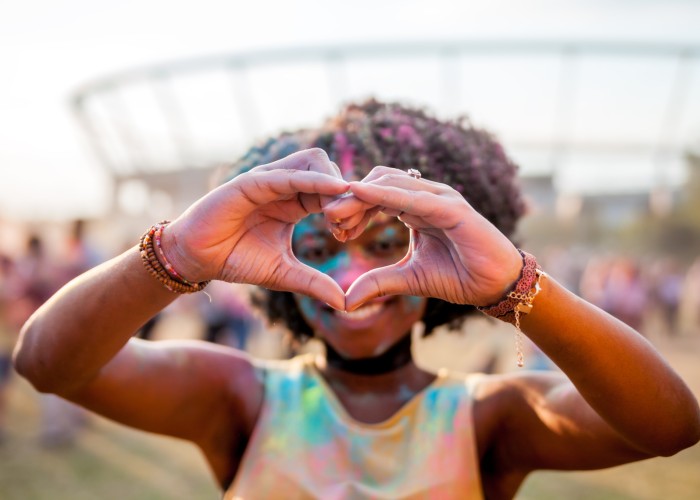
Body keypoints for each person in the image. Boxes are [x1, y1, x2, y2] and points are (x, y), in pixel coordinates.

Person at [13, 100, 700, 499]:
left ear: (443, 264)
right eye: (314, 251)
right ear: (277, 280)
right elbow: (47, 363)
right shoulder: (239, 395)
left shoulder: (489, 416)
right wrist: (179, 253)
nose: (348, 279)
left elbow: (670, 427)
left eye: (388, 246)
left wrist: (514, 285)